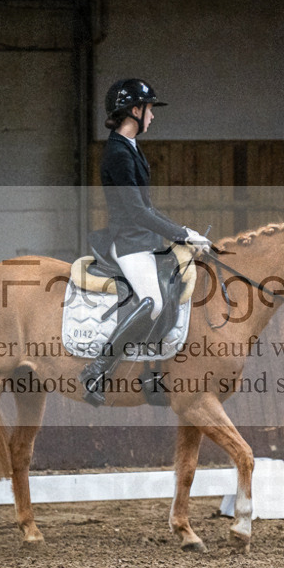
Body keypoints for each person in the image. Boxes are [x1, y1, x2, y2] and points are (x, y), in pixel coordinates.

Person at [79, 78, 211, 406]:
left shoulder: (132, 148)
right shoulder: (117, 154)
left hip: (144, 238)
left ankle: (151, 374)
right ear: (134, 111)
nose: (152, 116)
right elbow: (137, 212)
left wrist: (185, 232)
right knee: (151, 301)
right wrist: (180, 234)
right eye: (149, 109)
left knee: (170, 288)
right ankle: (97, 370)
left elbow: (149, 207)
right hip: (129, 242)